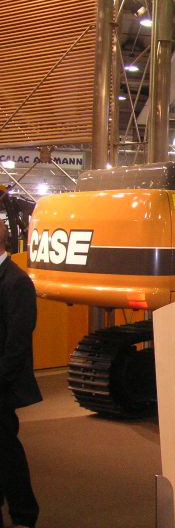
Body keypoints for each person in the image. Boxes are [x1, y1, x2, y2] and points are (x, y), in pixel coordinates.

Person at [0, 221, 40, 528]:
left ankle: (24, 515)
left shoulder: (17, 281)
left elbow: (18, 342)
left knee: (7, 451)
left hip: (4, 383)